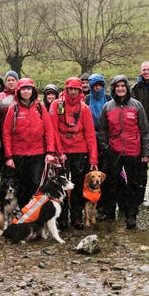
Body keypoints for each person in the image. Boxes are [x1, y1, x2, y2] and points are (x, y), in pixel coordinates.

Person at [98, 75, 149, 229]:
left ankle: (131, 215)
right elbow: (102, 130)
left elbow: (145, 130)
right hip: (114, 150)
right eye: (117, 86)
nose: (120, 89)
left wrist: (146, 153)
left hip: (134, 151)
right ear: (113, 88)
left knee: (133, 184)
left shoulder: (137, 106)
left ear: (127, 88)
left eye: (123, 86)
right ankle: (109, 212)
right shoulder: (108, 107)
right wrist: (106, 147)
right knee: (110, 183)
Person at [49, 77, 98, 229]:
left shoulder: (84, 109)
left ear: (80, 91)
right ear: (66, 89)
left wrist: (93, 159)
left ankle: (77, 218)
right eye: (70, 89)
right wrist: (59, 151)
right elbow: (53, 130)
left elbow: (90, 135)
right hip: (62, 151)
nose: (73, 92)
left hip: (80, 150)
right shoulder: (57, 105)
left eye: (76, 89)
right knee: (61, 186)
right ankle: (62, 218)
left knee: (77, 186)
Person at [2, 78, 56, 208]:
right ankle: (24, 213)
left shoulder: (40, 108)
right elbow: (6, 133)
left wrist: (50, 152)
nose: (26, 92)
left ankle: (35, 213)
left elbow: (49, 131)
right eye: (23, 89)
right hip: (18, 153)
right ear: (18, 92)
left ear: (33, 91)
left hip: (37, 153)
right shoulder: (13, 109)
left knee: (36, 184)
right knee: (21, 185)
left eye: (28, 89)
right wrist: (8, 156)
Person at [0, 70, 19, 178]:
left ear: (17, 81)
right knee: (5, 166)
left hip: (20, 138)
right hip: (4, 138)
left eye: (13, 80)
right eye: (8, 80)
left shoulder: (24, 94)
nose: (11, 82)